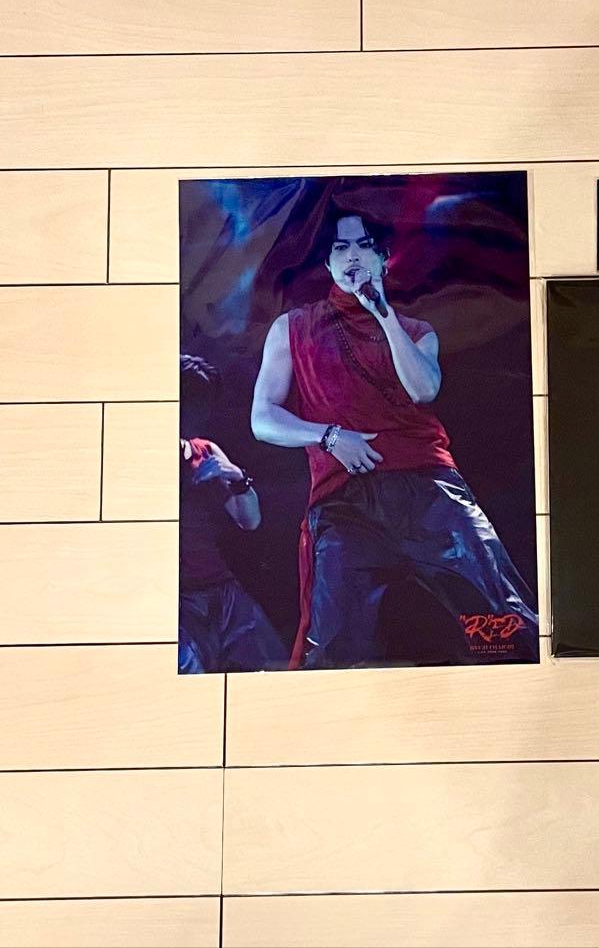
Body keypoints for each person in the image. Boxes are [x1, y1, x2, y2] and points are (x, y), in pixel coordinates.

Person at [250, 206, 539, 668]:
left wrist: (383, 315)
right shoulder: (293, 328)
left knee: (501, 624)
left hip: (428, 491)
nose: (353, 257)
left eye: (364, 246)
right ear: (327, 262)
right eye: (340, 248)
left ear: (383, 259)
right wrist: (330, 437)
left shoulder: (417, 332)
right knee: (333, 649)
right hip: (344, 503)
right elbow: (262, 418)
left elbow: (424, 389)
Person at [179, 355, 286, 673]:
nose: (199, 413)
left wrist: (237, 477)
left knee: (270, 667)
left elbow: (249, 521)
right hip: (177, 597)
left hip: (220, 588)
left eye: (204, 403)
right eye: (192, 402)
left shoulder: (206, 451)